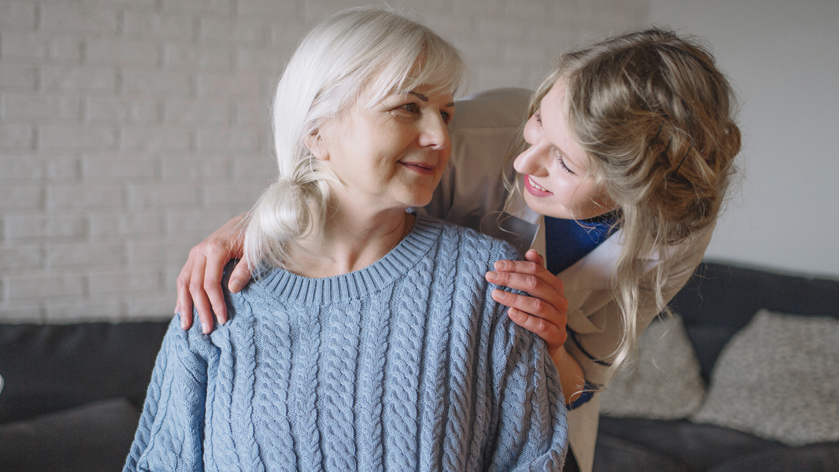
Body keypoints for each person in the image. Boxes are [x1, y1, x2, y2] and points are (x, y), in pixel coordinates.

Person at [174, 28, 740, 472]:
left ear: (635, 195)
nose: (523, 162)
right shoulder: (471, 135)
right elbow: (345, 181)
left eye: (563, 164)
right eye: (537, 122)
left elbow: (583, 379)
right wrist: (250, 224)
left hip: (531, 420)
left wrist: (550, 342)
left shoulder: (673, 227)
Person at [125, 8, 568, 472]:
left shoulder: (491, 280)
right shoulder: (220, 292)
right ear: (317, 131)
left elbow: (534, 459)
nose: (440, 136)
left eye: (445, 113)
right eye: (408, 107)